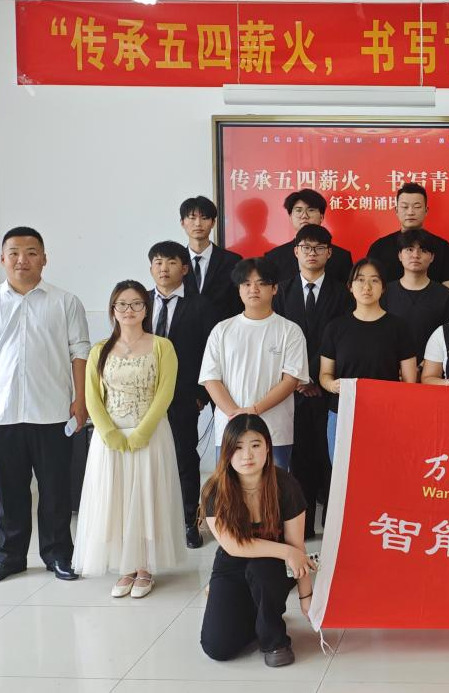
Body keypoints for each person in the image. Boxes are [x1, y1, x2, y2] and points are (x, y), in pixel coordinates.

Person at [0, 227, 90, 586]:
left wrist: (81, 400)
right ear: (2, 258)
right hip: (1, 413)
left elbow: (80, 352)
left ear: (44, 258)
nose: (22, 259)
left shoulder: (65, 302)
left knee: (55, 491)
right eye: (14, 252)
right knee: (9, 493)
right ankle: (10, 558)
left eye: (31, 252)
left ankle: (58, 555)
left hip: (53, 412)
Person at [74, 281, 186, 598]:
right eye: (121, 304)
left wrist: (142, 432)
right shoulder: (99, 350)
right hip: (109, 440)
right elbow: (92, 396)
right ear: (113, 310)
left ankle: (145, 567)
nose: (129, 310)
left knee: (147, 498)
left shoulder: (162, 346)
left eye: (136, 303)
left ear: (146, 309)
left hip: (150, 435)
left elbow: (165, 393)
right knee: (116, 500)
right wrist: (109, 432)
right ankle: (125, 567)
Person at [200, 414, 315, 668]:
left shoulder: (286, 485)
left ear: (268, 448)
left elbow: (297, 548)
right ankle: (256, 612)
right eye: (238, 447)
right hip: (233, 561)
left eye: (255, 445)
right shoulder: (215, 490)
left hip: (273, 565)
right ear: (227, 452)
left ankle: (275, 641)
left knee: (262, 571)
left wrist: (306, 596)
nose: (247, 455)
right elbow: (233, 545)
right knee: (217, 647)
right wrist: (287, 552)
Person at [271, 225, 350, 537]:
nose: (312, 253)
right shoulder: (281, 291)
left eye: (319, 248)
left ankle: (332, 527)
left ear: (329, 253)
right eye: (306, 247)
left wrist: (314, 375)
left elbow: (342, 338)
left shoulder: (343, 293)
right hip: (291, 389)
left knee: (331, 458)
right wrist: (299, 378)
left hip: (329, 387)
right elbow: (277, 338)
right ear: (296, 252)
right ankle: (301, 527)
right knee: (299, 460)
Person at [200, 258, 309, 471]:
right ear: (239, 289)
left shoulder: (290, 331)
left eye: (261, 283)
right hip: (229, 430)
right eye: (247, 284)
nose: (253, 289)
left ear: (274, 288)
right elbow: (211, 379)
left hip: (274, 431)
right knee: (229, 487)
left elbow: (290, 381)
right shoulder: (222, 330)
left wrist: (254, 410)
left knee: (273, 487)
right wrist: (236, 415)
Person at [149, 240, 215, 548]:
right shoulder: (139, 302)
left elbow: (209, 353)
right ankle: (152, 522)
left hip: (183, 397)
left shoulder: (201, 306)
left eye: (171, 262)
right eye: (158, 262)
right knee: (147, 459)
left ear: (185, 268)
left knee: (184, 458)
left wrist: (201, 394)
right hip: (144, 398)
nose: (164, 268)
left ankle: (189, 521)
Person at [320, 258, 419, 460]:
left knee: (383, 468)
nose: (367, 287)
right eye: (360, 280)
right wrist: (332, 385)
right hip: (343, 412)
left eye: (374, 280)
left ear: (383, 288)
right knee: (343, 470)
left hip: (386, 413)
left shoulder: (399, 328)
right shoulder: (335, 328)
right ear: (350, 286)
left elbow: (410, 381)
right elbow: (325, 374)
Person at [380, 229, 449, 366]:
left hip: (433, 369)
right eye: (409, 249)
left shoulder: (445, 295)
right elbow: (379, 335)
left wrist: (425, 366)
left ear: (432, 257)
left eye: (423, 250)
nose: (416, 255)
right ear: (400, 255)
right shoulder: (385, 293)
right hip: (391, 368)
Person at [365, 182, 449, 290]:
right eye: (405, 207)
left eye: (417, 207)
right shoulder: (379, 247)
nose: (410, 212)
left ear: (426, 211)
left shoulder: (443, 247)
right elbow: (369, 287)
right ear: (396, 210)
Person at [265, 189, 353, 284]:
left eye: (311, 210)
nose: (304, 216)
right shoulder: (273, 258)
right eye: (298, 210)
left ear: (321, 217)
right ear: (290, 217)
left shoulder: (342, 257)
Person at [180, 196, 242, 323]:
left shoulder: (232, 261)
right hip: (183, 331)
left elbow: (238, 303)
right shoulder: (175, 261)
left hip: (222, 330)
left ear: (213, 222)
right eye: (192, 218)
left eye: (204, 218)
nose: (198, 223)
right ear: (182, 222)